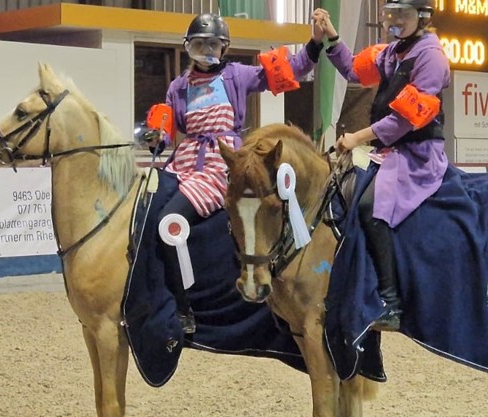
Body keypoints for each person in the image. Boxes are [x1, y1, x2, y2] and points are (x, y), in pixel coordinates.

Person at [145, 12, 328, 333]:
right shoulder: (178, 86)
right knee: (146, 209)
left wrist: (314, 43)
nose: (206, 51)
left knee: (168, 222)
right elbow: (169, 125)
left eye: (213, 45)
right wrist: (158, 135)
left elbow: (289, 71)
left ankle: (183, 308)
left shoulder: (236, 76)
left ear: (224, 47)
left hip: (221, 162)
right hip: (183, 160)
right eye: (199, 45)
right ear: (189, 47)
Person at [317, 0, 451, 331]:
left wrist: (356, 137)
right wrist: (332, 38)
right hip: (389, 151)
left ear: (422, 18)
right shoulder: (389, 53)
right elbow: (352, 69)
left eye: (402, 16)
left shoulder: (431, 56)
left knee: (368, 206)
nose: (394, 22)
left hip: (418, 153)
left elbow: (405, 120)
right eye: (391, 15)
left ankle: (391, 303)